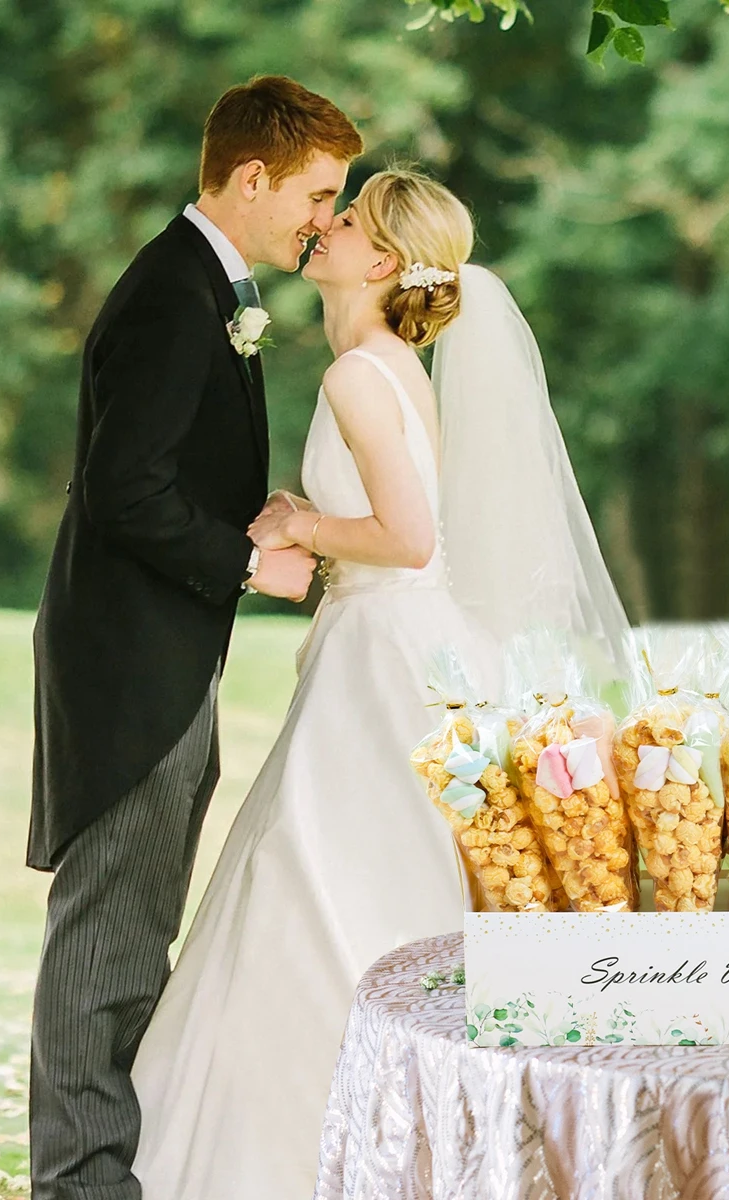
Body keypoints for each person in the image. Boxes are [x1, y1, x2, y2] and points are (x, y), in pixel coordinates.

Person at [129, 168, 630, 1199]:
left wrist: (299, 526)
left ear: (386, 259)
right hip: (394, 641)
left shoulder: (362, 373)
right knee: (367, 880)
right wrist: (307, 518)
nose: (324, 228)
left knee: (321, 874)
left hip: (382, 655)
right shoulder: (390, 365)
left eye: (346, 220)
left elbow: (407, 539)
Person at [27, 76, 362, 1200]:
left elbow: (166, 469)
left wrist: (257, 516)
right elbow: (123, 490)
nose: (327, 215)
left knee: (135, 931)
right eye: (319, 192)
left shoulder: (205, 283)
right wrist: (248, 561)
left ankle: (112, 1168)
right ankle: (78, 1184)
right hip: (129, 665)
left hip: (163, 656)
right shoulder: (178, 294)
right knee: (108, 941)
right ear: (253, 179)